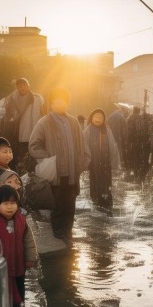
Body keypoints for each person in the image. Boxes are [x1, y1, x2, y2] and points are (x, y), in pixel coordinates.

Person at [28, 87, 91, 243]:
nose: (59, 104)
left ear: (67, 103)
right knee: (57, 206)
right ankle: (58, 235)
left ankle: (67, 234)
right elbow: (34, 146)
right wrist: (49, 158)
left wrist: (83, 163)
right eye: (56, 101)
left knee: (70, 206)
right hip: (56, 174)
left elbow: (83, 145)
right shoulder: (44, 122)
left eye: (62, 101)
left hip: (72, 173)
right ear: (51, 103)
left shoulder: (73, 121)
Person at [0, 185, 38, 307]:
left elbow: (28, 241)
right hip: (1, 266)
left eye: (13, 203)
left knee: (19, 286)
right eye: (5, 203)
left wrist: (30, 258)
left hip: (18, 263)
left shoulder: (21, 220)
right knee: (3, 288)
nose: (10, 207)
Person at [0, 78, 44, 169]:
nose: (22, 87)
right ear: (16, 87)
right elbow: (2, 113)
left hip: (31, 132)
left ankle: (28, 173)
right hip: (14, 133)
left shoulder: (37, 99)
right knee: (15, 156)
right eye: (19, 86)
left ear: (28, 86)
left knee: (30, 156)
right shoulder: (10, 99)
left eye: (24, 85)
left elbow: (42, 114)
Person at [84, 109, 120, 213]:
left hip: (105, 161)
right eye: (96, 117)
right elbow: (84, 145)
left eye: (100, 117)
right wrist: (85, 161)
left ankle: (106, 202)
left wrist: (114, 162)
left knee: (106, 182)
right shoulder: (88, 130)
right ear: (92, 118)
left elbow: (113, 146)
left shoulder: (107, 130)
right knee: (94, 180)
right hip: (93, 161)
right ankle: (96, 200)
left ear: (104, 119)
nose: (98, 119)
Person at [126, 106, 149, 180]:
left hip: (133, 141)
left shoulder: (130, 118)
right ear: (139, 111)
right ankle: (140, 172)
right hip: (141, 141)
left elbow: (129, 131)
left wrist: (129, 141)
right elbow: (144, 129)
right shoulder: (141, 118)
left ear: (133, 110)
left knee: (134, 156)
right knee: (139, 156)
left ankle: (135, 172)